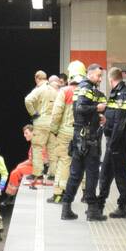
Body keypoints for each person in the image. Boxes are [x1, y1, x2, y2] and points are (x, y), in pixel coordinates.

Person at [60, 63, 108, 221]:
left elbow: (81, 112)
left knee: (75, 174)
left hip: (80, 137)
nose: (100, 78)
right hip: (88, 139)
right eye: (98, 75)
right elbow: (81, 108)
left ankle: (66, 208)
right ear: (90, 74)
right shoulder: (86, 88)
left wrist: (97, 116)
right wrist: (98, 109)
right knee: (92, 174)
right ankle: (92, 211)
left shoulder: (83, 88)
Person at [97, 68, 126, 219]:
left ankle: (122, 206)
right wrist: (105, 119)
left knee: (121, 174)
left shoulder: (123, 94)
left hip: (118, 142)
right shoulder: (119, 93)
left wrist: (113, 144)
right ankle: (99, 204)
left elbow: (120, 122)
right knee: (106, 173)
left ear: (111, 79)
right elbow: (115, 117)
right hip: (114, 141)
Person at [48, 64, 78, 204]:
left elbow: (56, 114)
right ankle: (84, 193)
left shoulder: (65, 91)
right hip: (81, 133)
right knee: (81, 163)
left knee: (63, 162)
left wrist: (54, 130)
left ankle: (59, 193)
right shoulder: (87, 91)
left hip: (65, 132)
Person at [23, 70, 57, 188]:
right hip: (52, 123)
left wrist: (33, 113)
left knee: (37, 148)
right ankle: (53, 174)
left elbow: (27, 100)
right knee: (52, 149)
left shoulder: (38, 89)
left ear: (36, 79)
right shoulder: (54, 90)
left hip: (41, 122)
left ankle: (38, 174)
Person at [42, 75, 62, 184]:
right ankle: (53, 173)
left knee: (52, 151)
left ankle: (53, 173)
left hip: (48, 126)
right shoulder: (59, 94)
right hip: (55, 127)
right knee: (53, 151)